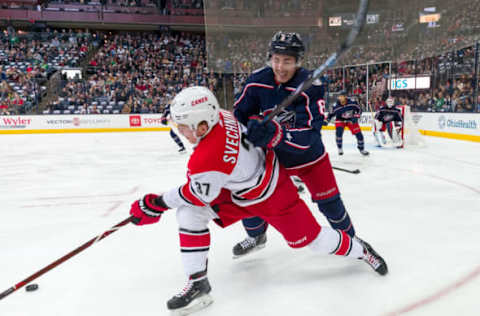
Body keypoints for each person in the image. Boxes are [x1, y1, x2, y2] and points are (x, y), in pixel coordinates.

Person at [129, 86, 388, 315]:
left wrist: (155, 203)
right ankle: (198, 283)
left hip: (272, 194)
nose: (180, 131)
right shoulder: (219, 115)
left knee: (314, 241)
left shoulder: (207, 157)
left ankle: (360, 249)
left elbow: (196, 193)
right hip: (240, 189)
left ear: (202, 126)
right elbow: (203, 189)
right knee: (189, 214)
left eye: (183, 125)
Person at [232, 31, 360, 258]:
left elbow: (311, 135)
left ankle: (352, 242)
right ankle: (256, 236)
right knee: (248, 196)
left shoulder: (311, 85)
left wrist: (276, 135)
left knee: (330, 203)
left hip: (310, 159)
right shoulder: (256, 81)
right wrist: (250, 128)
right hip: (274, 161)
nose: (280, 67)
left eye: (287, 61)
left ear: (298, 61)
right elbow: (239, 117)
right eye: (276, 59)